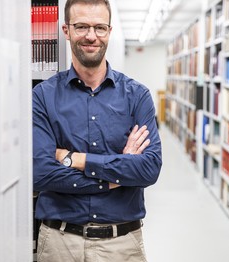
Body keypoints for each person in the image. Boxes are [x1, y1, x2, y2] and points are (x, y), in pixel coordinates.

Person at [32, 0, 162, 261]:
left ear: (109, 31)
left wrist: (74, 159)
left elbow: (148, 169)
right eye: (81, 26)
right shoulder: (43, 96)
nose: (91, 36)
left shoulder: (137, 96)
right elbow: (40, 173)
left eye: (99, 27)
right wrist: (117, 175)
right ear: (66, 30)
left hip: (122, 246)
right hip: (59, 244)